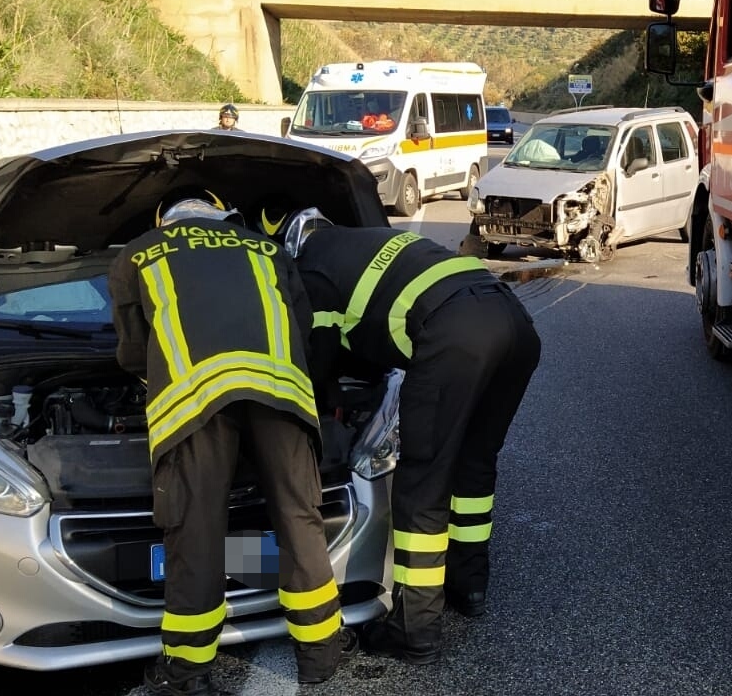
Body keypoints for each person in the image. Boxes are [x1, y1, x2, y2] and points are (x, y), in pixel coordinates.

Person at [257, 205, 542, 665]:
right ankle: (468, 588)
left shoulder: (310, 270)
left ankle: (416, 628)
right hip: (514, 325)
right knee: (473, 467)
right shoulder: (360, 242)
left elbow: (320, 359)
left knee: (422, 483)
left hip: (456, 333)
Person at [108, 188, 355, 694]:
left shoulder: (139, 252)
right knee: (299, 517)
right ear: (223, 213)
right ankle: (322, 653)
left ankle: (189, 674)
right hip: (279, 390)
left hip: (194, 402)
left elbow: (133, 354)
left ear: (165, 221)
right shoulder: (264, 247)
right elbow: (302, 325)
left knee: (196, 529)